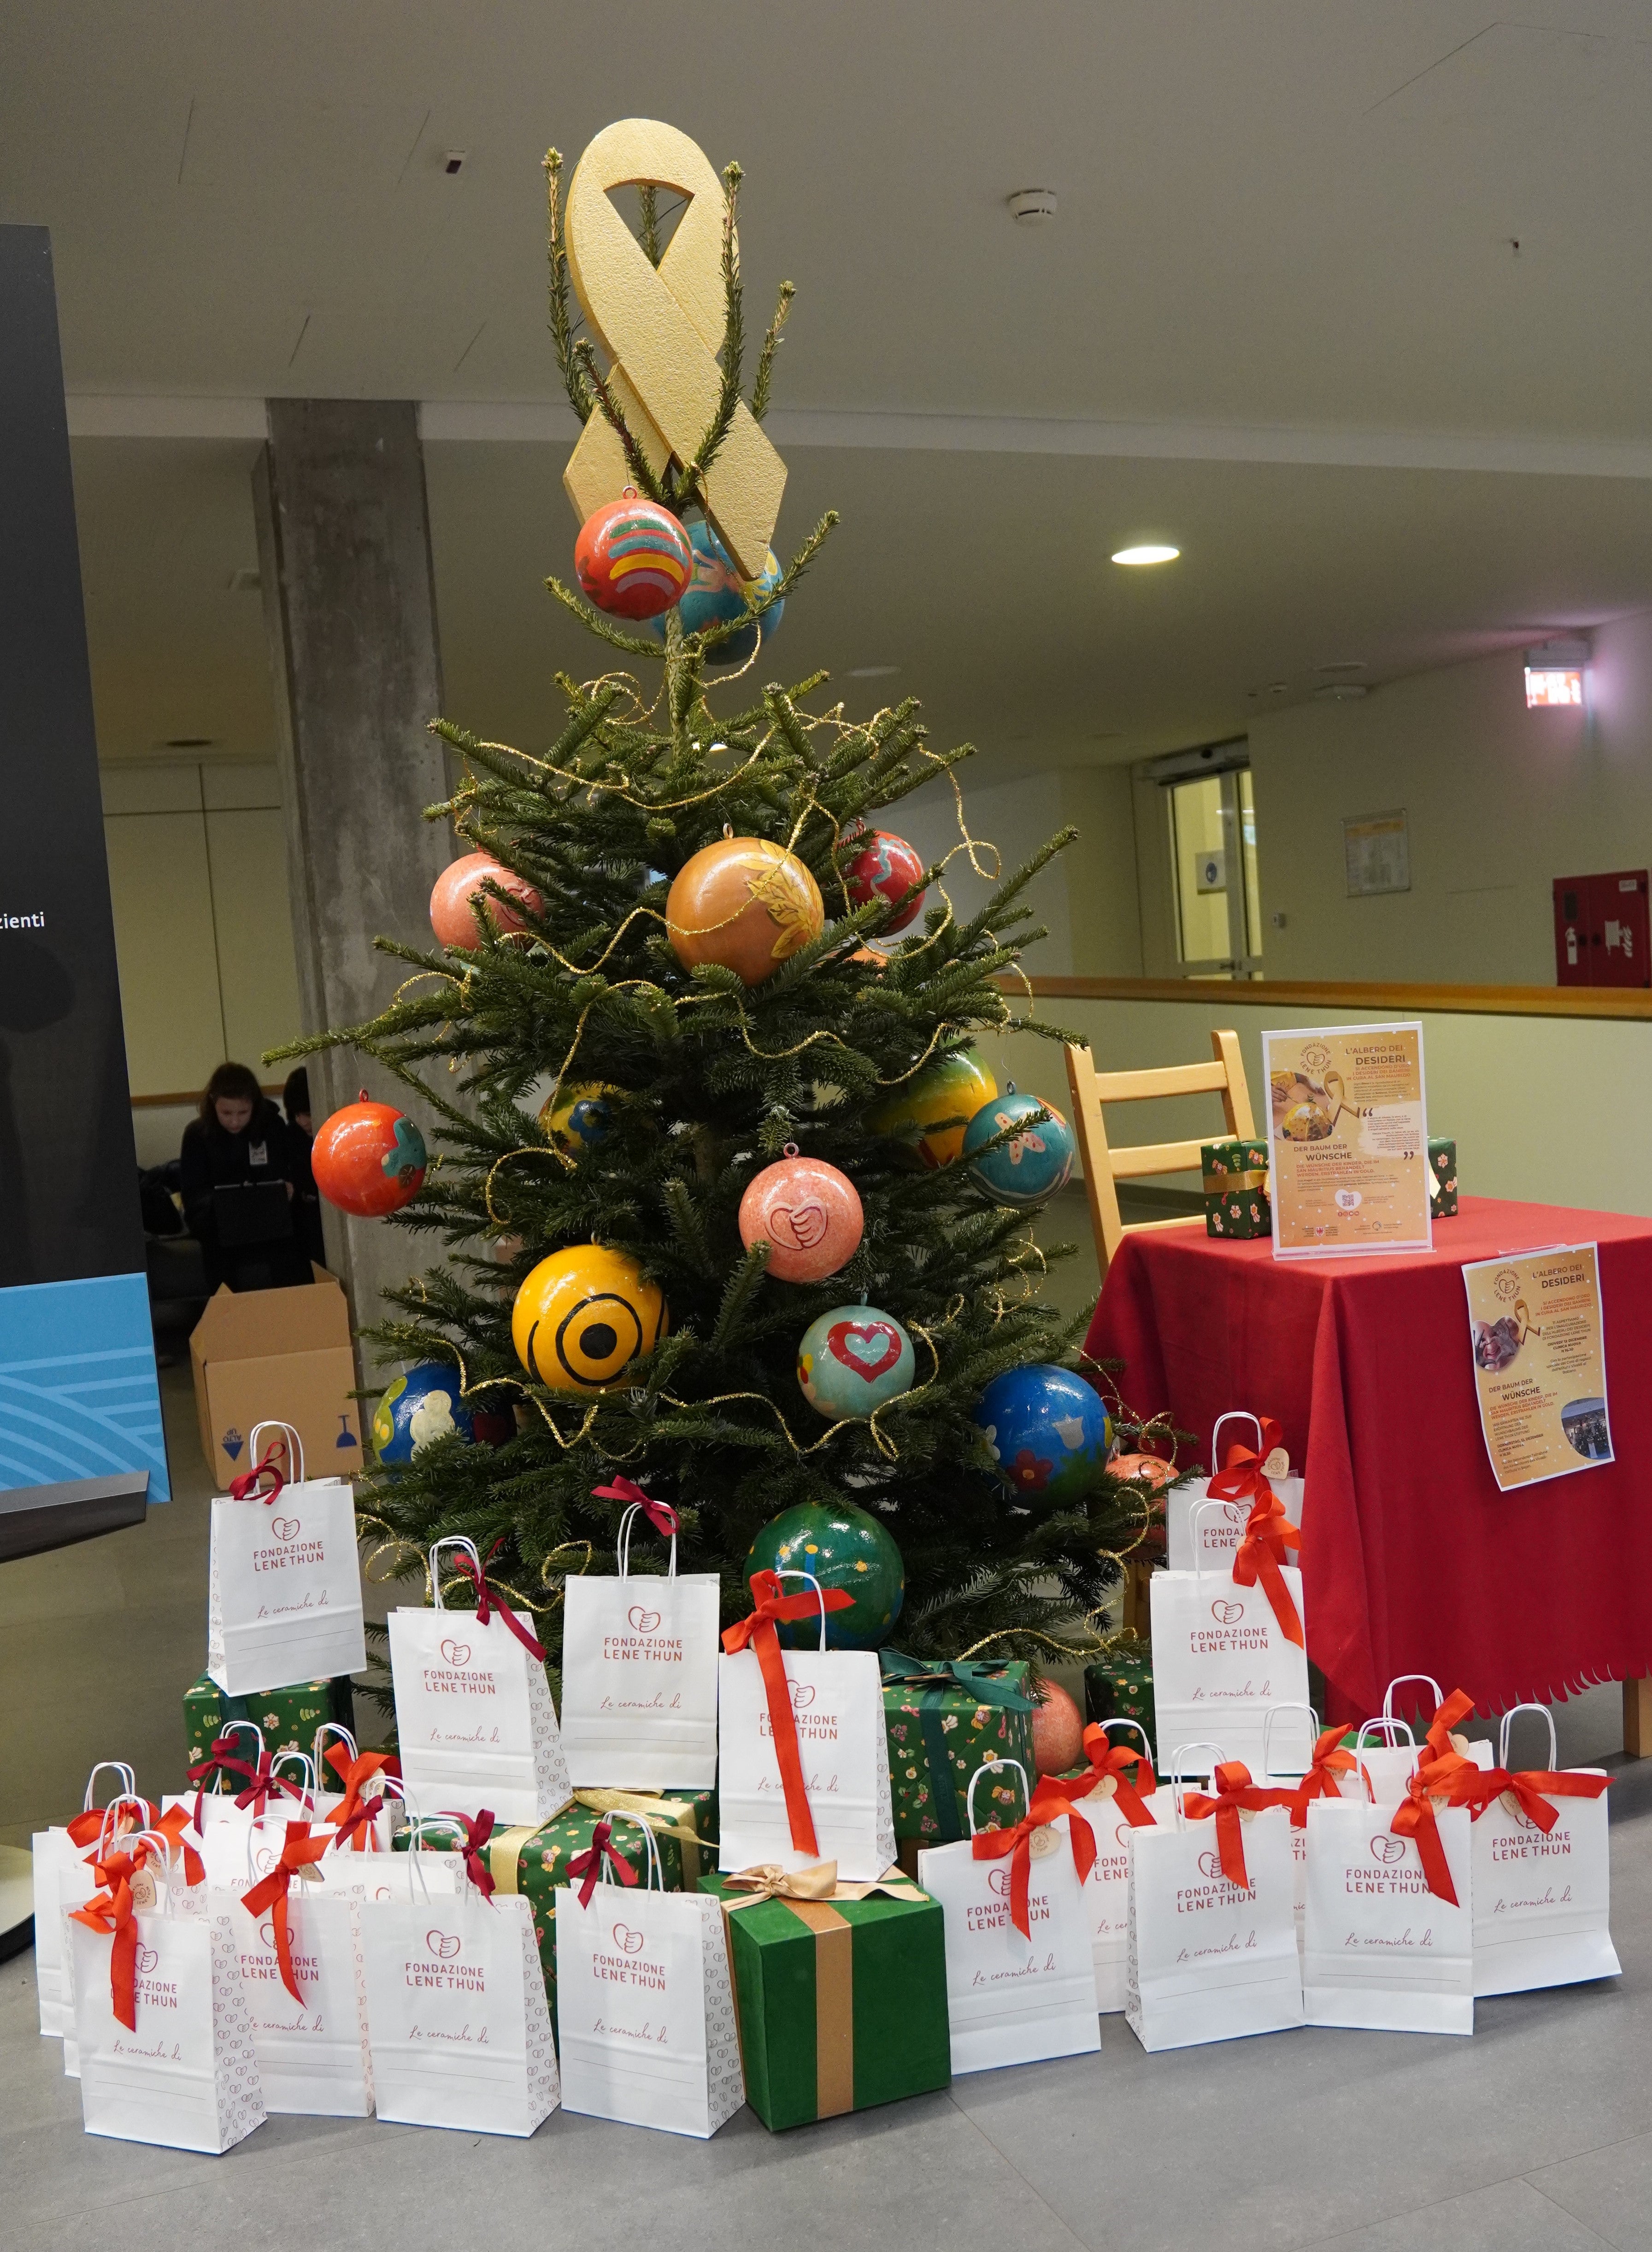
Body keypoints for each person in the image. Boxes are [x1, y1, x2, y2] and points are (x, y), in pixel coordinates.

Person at [179, 1062, 309, 1291]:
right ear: (213, 1104)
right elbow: (193, 1197)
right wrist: (225, 1203)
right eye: (226, 1113)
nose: (235, 1121)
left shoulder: (272, 1126)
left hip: (272, 1226)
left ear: (254, 1106)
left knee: (292, 1251)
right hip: (221, 1231)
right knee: (222, 1267)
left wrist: (289, 1189)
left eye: (243, 1113)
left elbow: (288, 1173)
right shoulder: (197, 1135)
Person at [282, 1065, 328, 1271]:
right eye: (296, 1115)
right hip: (302, 1229)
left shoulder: (332, 1136)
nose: (302, 1122)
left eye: (308, 1114)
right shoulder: (291, 1135)